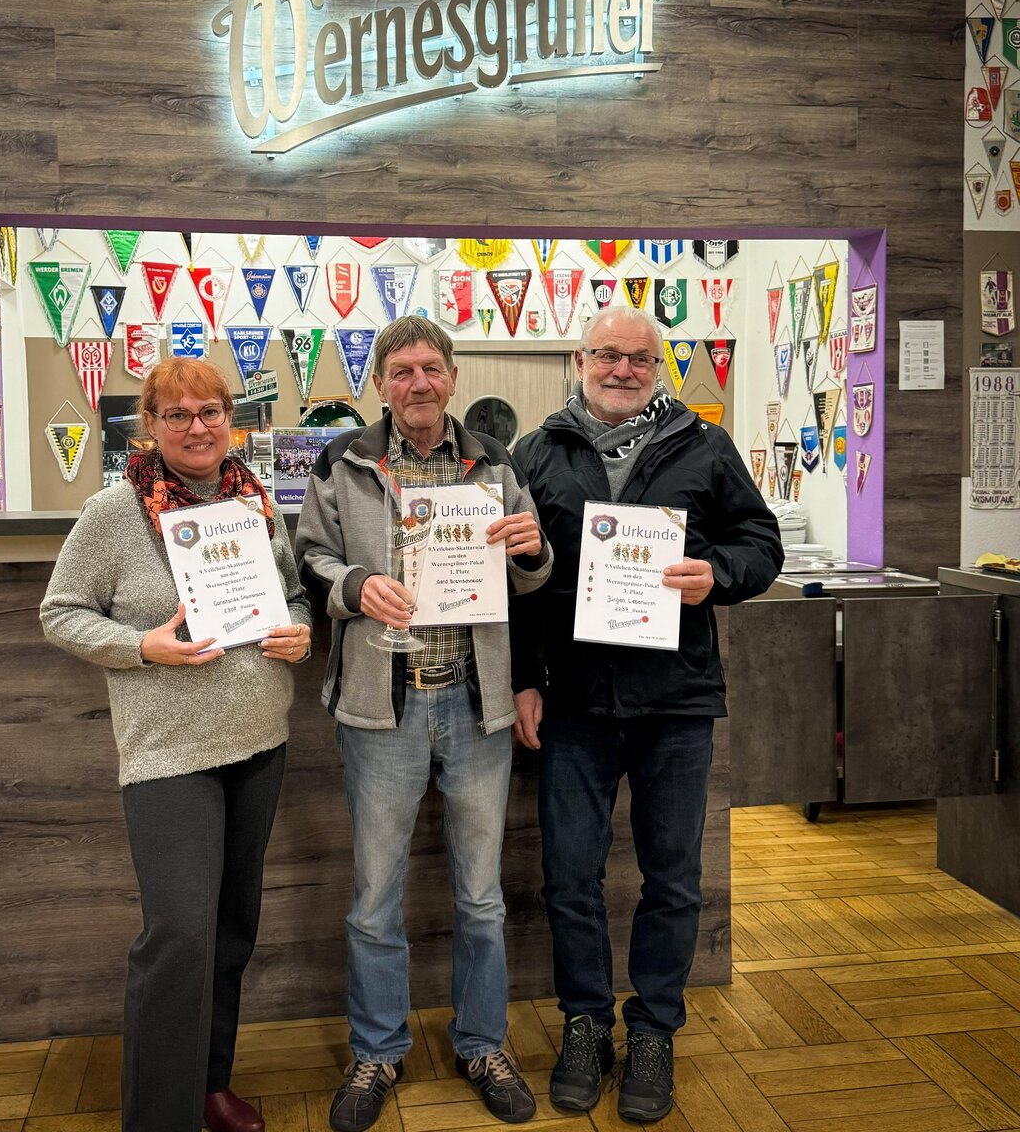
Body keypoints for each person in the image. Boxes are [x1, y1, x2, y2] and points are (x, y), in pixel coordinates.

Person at [510, 307, 783, 1124]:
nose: (623, 369)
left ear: (658, 367)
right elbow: (517, 582)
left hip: (675, 701)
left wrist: (717, 572)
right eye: (608, 355)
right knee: (570, 876)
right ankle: (586, 1025)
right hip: (575, 702)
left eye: (639, 358)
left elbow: (761, 543)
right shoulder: (535, 452)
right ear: (580, 359)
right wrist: (524, 679)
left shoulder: (704, 446)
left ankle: (655, 1028)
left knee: (672, 877)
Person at [40, 358, 313, 1132]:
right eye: (177, 414)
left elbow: (292, 593)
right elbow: (60, 612)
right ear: (150, 426)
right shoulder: (113, 512)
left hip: (258, 740)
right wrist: (140, 647)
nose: (197, 427)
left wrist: (299, 630)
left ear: (231, 420)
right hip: (169, 754)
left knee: (230, 931)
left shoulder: (255, 503)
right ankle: (160, 1117)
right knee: (180, 937)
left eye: (211, 412)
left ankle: (208, 1086)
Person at [295, 315, 553, 1132]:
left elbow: (533, 575)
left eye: (431, 368)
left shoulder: (494, 461)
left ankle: (483, 1043)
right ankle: (377, 1049)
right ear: (380, 383)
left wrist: (530, 547)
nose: (418, 383)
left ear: (452, 377)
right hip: (383, 705)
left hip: (476, 703)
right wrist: (354, 586)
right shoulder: (345, 460)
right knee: (375, 896)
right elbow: (308, 557)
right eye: (401, 370)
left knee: (482, 896)